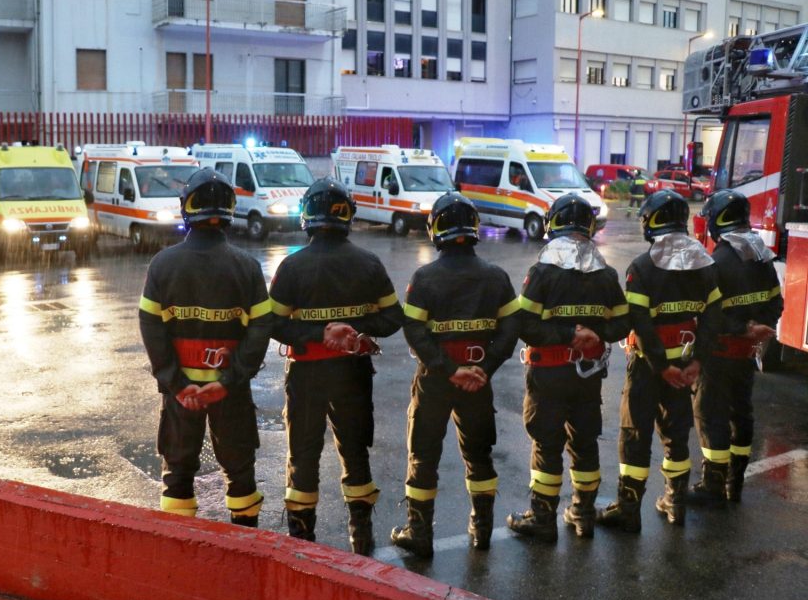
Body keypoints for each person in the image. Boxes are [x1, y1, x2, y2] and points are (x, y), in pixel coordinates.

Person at [270, 177, 403, 554]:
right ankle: (361, 536)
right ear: (348, 215)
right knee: (355, 450)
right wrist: (353, 329)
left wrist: (318, 332)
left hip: (307, 376)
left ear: (306, 215)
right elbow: (394, 318)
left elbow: (274, 324)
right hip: (353, 374)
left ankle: (302, 540)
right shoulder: (368, 263)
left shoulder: (292, 267)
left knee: (304, 453)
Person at [138, 168, 272, 527]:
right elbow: (261, 329)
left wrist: (178, 385)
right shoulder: (246, 267)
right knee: (240, 473)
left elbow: (150, 327)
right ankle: (246, 551)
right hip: (231, 394)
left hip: (181, 397)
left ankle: (180, 557)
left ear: (187, 209)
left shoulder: (163, 265)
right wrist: (227, 381)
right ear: (230, 210)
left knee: (178, 472)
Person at [391, 193, 520, 557]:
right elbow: (512, 327)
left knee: (423, 457)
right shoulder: (496, 277)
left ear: (436, 229)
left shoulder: (425, 277)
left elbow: (414, 332)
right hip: (479, 383)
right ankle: (481, 532)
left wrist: (448, 369)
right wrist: (484, 369)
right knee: (479, 456)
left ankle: (419, 534)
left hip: (434, 382)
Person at [507, 194, 630, 543]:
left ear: (553, 224)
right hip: (589, 377)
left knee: (547, 443)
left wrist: (566, 333)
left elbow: (524, 326)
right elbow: (623, 324)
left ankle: (542, 518)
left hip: (548, 376)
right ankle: (583, 514)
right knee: (585, 442)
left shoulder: (542, 272)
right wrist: (593, 336)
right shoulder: (605, 274)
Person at [597, 189, 722, 532]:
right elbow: (713, 319)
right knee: (677, 434)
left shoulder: (642, 267)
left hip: (649, 370)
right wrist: (697, 361)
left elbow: (640, 322)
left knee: (634, 434)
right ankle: (675, 503)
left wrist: (659, 365)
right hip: (684, 368)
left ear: (652, 222)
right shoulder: (705, 265)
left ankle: (628, 508)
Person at [691, 190, 783, 503]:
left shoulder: (717, 262)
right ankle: (735, 483)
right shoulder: (762, 258)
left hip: (718, 355)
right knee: (741, 414)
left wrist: (742, 329)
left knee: (711, 415)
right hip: (746, 356)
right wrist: (757, 330)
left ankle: (712, 487)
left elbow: (709, 315)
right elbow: (776, 301)